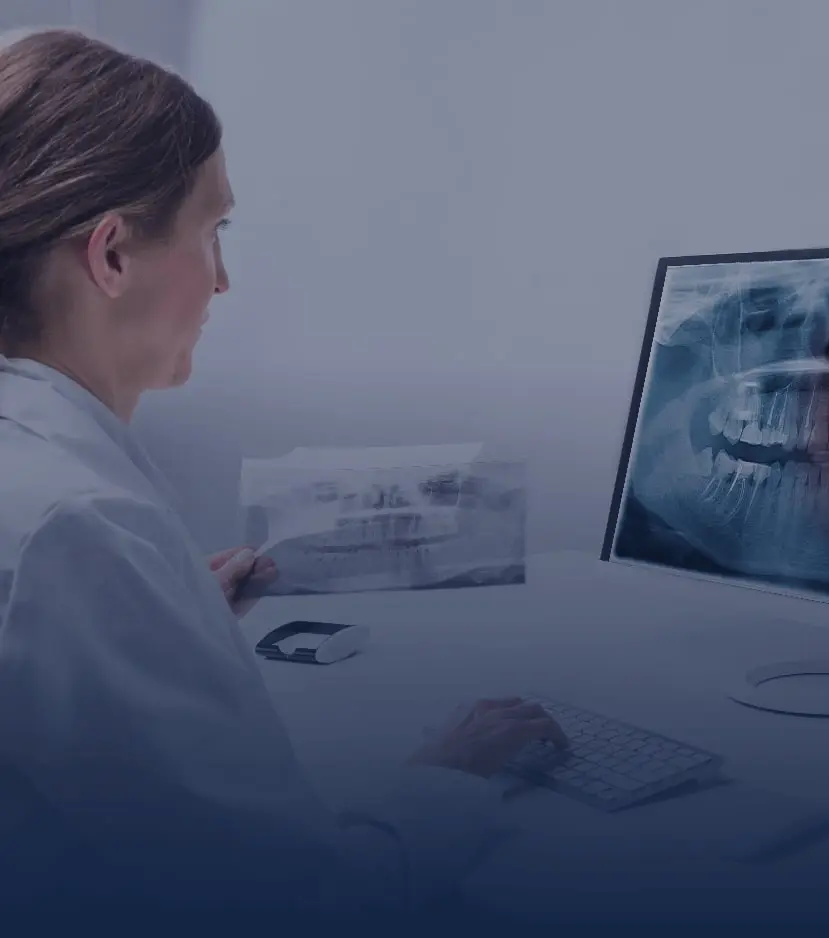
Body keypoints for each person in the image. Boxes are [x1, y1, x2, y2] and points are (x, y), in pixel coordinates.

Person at [0, 28, 566, 924]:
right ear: (110, 255)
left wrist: (166, 616)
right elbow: (296, 908)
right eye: (213, 231)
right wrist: (448, 779)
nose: (222, 283)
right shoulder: (78, 524)